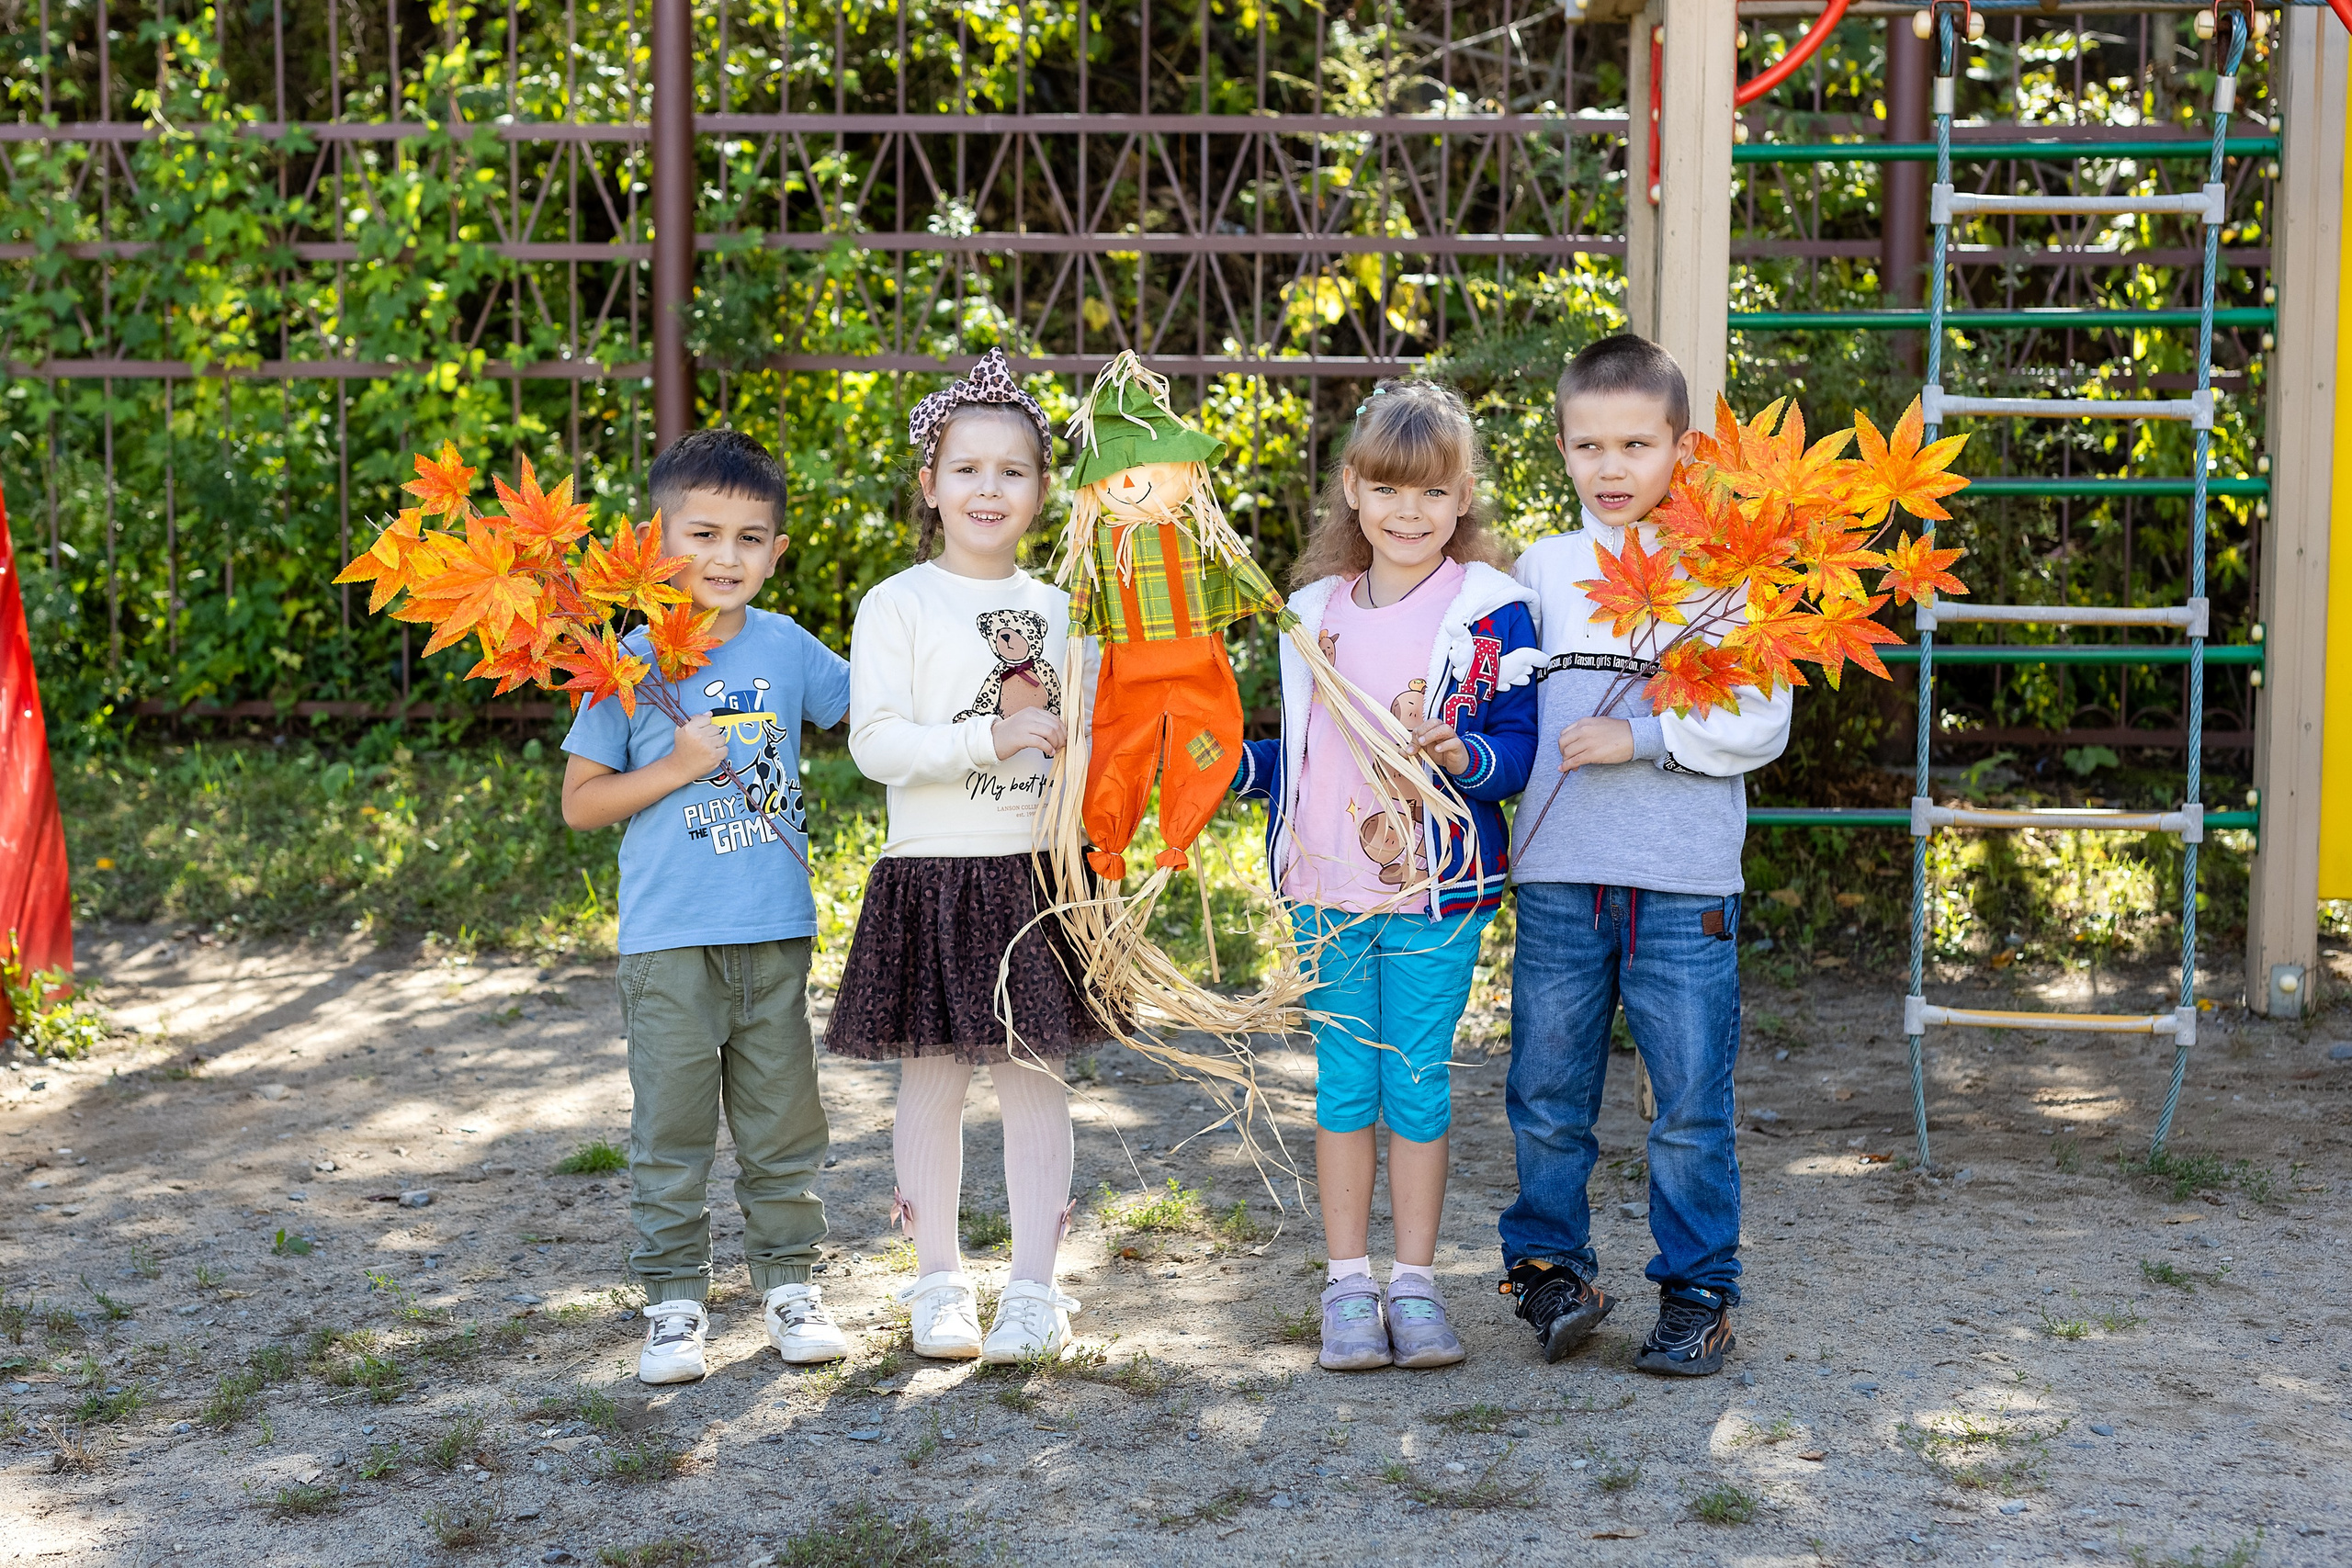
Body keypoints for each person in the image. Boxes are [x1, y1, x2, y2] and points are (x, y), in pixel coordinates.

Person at [1499, 333, 1792, 1377]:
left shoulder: (1722, 574)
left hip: (1682, 887)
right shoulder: (1540, 569)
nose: (1611, 467)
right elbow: (1485, 693)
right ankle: (1550, 1273)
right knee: (1545, 1089)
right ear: (1563, 449)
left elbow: (1763, 720)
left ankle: (1698, 1291)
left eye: (1636, 444)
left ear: (1682, 449)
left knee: (1687, 1104)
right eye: (1588, 446)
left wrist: (1647, 736)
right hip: (1560, 878)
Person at [1233, 378, 1539, 1371]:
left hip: (1434, 891)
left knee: (1414, 1082)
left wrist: (1462, 756)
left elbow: (1518, 752)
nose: (1410, 514)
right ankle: (1346, 1284)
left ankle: (1414, 1283)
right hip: (1324, 887)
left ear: (1462, 503)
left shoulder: (1493, 613)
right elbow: (1301, 755)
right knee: (1340, 1086)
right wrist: (1223, 768)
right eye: (1389, 491)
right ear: (1354, 494)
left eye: (1433, 494)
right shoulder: (1309, 613)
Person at [826, 349, 1104, 1365]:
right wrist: (987, 740)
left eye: (1014, 471)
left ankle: (1034, 1289)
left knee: (1037, 1078)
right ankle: (937, 1278)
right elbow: (875, 743)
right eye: (967, 469)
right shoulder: (897, 603)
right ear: (930, 484)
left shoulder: (1070, 610)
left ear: (1043, 488)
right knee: (933, 1080)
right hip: (933, 875)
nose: (990, 489)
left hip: (1035, 876)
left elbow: (1093, 745)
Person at [560, 427, 854, 1383]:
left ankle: (789, 1285)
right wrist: (675, 768)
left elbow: (873, 712)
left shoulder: (786, 648)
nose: (725, 557)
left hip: (773, 935)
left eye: (749, 537)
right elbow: (580, 803)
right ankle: (674, 1303)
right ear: (657, 539)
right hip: (671, 942)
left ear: (777, 549)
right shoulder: (628, 663)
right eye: (703, 533)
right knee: (672, 1132)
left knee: (783, 1125)